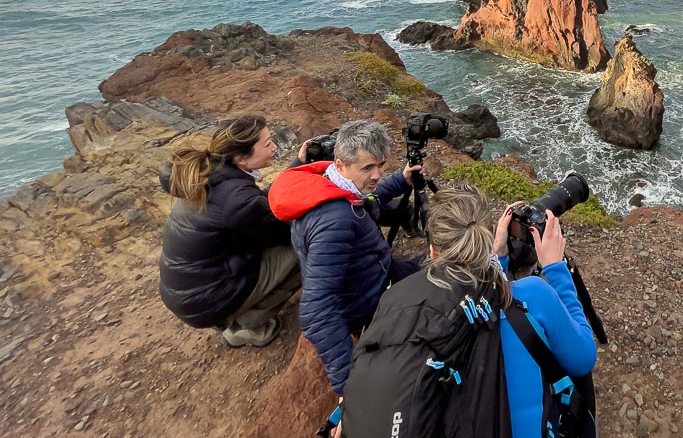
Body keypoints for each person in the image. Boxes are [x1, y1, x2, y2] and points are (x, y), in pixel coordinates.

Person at [268, 119, 422, 397]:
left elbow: (366, 202)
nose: (376, 175)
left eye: (381, 165)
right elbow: (316, 311)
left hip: (370, 278)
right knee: (447, 271)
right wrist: (349, 389)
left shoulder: (326, 184)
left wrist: (400, 180)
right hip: (369, 301)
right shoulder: (335, 220)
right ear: (340, 164)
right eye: (367, 168)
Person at [429, 185, 597, 438]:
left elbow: (478, 290)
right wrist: (555, 268)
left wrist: (499, 258)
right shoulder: (532, 293)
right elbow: (584, 358)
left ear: (433, 252)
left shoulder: (414, 309)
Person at [159, 115, 301, 348]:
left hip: (191, 293)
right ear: (240, 158)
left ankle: (234, 313)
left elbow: (257, 206)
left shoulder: (213, 175)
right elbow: (283, 229)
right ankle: (247, 326)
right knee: (307, 245)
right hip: (206, 299)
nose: (274, 146)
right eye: (267, 144)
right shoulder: (236, 198)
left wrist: (298, 166)